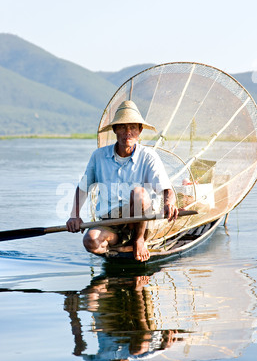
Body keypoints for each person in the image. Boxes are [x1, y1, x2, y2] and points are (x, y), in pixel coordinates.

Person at [66, 100, 178, 262]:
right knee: (91, 241)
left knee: (139, 193)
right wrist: (74, 215)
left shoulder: (148, 156)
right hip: (111, 223)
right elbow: (83, 187)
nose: (128, 133)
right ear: (114, 130)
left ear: (139, 131)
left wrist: (169, 203)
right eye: (122, 127)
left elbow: (166, 190)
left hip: (141, 222)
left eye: (133, 127)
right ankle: (120, 244)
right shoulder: (99, 156)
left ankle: (139, 240)